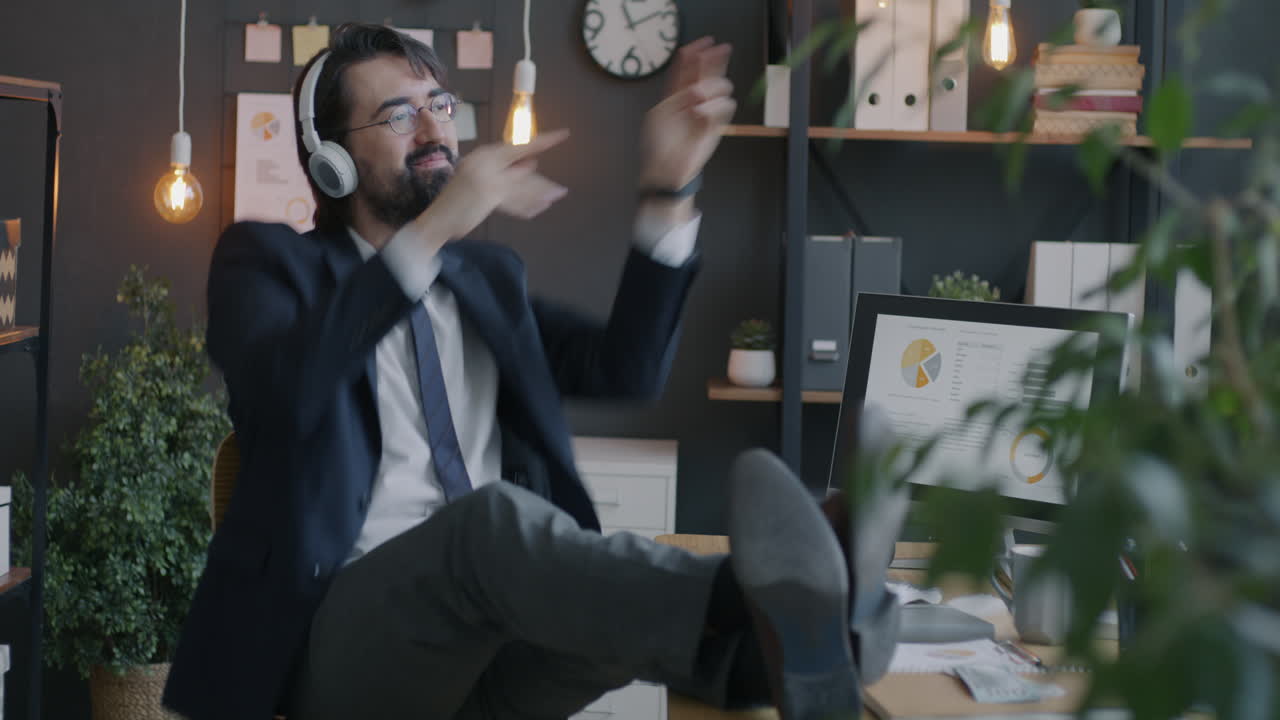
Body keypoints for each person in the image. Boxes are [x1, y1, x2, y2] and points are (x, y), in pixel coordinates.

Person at [163, 22, 900, 720]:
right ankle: (765, 599)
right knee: (489, 526)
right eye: (397, 116)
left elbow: (627, 370)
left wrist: (668, 189)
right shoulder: (266, 264)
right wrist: (438, 226)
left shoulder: (487, 277)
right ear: (332, 159)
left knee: (597, 602)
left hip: (495, 662)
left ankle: (800, 652)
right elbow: (282, 392)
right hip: (342, 658)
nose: (433, 130)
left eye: (440, 106)